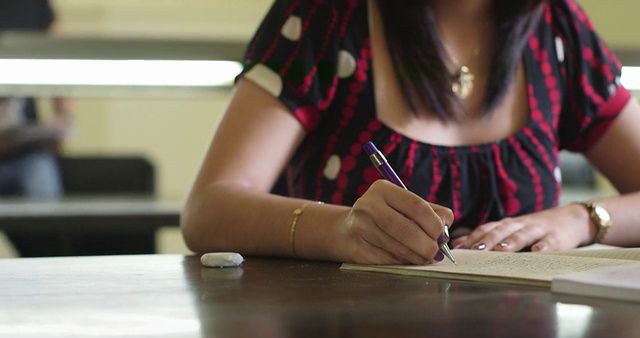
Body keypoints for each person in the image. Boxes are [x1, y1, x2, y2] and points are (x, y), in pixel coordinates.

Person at [181, 0, 640, 265]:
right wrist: (339, 230)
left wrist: (582, 220)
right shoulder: (328, 15)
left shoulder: (556, 26)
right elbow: (209, 209)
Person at [0, 0, 74, 256]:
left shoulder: (34, 5)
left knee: (49, 232)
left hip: (28, 149)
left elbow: (60, 58)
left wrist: (63, 117)